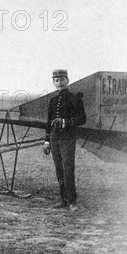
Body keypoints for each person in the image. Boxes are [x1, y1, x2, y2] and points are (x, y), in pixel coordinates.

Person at [42, 69, 86, 211]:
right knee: (59, 169)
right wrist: (47, 141)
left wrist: (65, 122)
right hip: (55, 137)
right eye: (56, 80)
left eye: (61, 79)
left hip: (67, 137)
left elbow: (82, 119)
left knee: (68, 168)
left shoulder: (75, 99)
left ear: (67, 80)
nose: (59, 83)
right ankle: (63, 200)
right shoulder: (53, 100)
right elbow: (48, 122)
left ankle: (72, 201)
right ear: (53, 82)